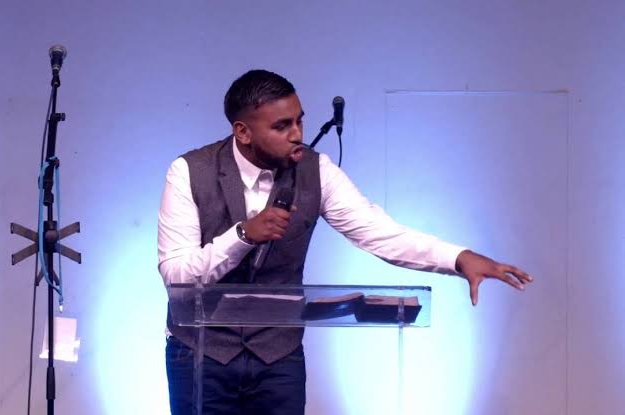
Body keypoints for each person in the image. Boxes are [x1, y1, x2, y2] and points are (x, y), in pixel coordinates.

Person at [157, 69, 533, 415]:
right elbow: (176, 276)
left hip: (277, 355)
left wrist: (458, 258)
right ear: (243, 132)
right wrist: (242, 236)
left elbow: (379, 232)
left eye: (299, 120)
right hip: (199, 354)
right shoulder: (188, 172)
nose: (297, 134)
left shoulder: (316, 171)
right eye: (282, 125)